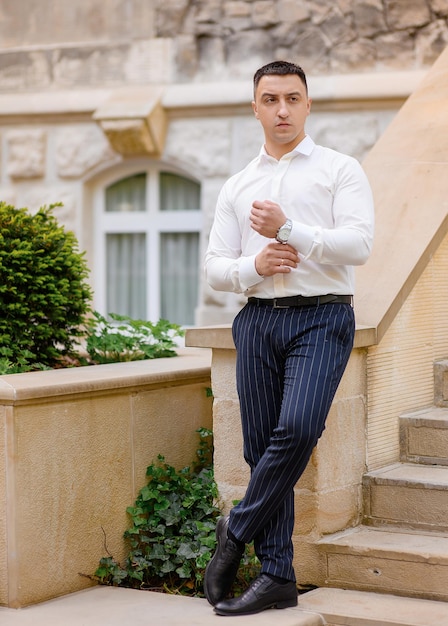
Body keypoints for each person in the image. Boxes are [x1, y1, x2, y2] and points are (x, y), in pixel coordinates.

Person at [203, 60, 374, 617]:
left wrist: (287, 229)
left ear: (307, 104)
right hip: (257, 321)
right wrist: (256, 263)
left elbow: (358, 245)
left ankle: (236, 533)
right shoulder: (237, 184)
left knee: (298, 427)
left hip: (323, 319)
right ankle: (277, 576)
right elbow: (215, 269)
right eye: (271, 99)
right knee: (259, 449)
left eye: (292, 99)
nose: (282, 110)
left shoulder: (339, 169)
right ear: (255, 106)